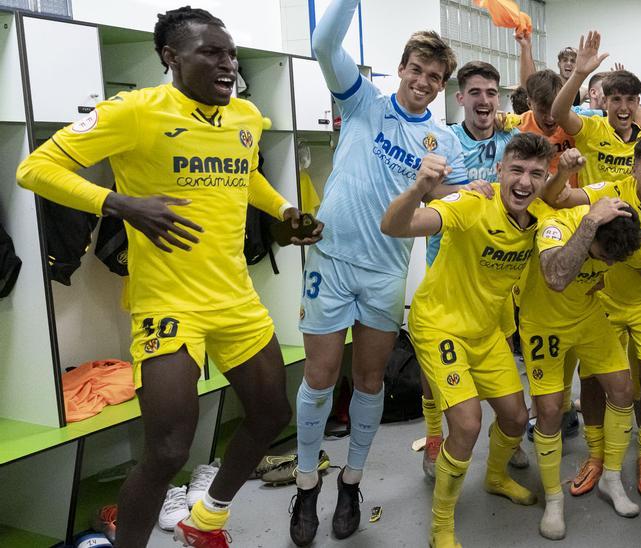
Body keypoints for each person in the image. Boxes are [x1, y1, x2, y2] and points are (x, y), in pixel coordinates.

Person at [16, 7, 320, 547]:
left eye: (230, 53)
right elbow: (34, 168)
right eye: (211, 52)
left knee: (271, 411)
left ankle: (205, 519)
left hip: (236, 299)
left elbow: (244, 175)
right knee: (168, 448)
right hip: (168, 304)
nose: (227, 64)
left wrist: (284, 211)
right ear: (170, 58)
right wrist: (121, 204)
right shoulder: (135, 110)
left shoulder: (246, 117)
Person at [292, 1, 468, 543]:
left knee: (369, 381)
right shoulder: (362, 100)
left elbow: (457, 207)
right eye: (416, 70)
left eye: (434, 77)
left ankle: (352, 480)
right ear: (402, 68)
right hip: (332, 260)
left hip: (386, 273)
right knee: (320, 378)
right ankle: (305, 486)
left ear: (441, 88)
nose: (422, 81)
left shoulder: (446, 141)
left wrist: (473, 191)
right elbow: (323, 45)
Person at [380, 133, 554, 548]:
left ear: (546, 180)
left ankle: (495, 476)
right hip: (439, 325)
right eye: (516, 170)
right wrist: (421, 189)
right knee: (468, 423)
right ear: (499, 171)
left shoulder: (542, 215)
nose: (524, 182)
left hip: (486, 332)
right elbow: (394, 225)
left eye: (535, 174)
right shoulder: (474, 203)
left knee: (515, 418)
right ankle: (441, 525)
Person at [519, 191, 641, 539]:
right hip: (544, 325)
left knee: (622, 390)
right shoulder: (557, 226)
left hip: (589, 319)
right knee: (547, 412)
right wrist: (589, 223)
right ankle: (554, 500)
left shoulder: (620, 234)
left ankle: (610, 477)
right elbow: (556, 279)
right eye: (603, 257)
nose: (606, 265)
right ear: (591, 234)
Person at [541, 136, 641, 499]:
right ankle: (595, 454)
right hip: (604, 300)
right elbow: (554, 198)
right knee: (592, 378)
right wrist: (563, 171)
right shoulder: (610, 192)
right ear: (634, 170)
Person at [552, 31, 641, 187]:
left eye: (630, 100)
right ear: (605, 101)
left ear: (638, 102)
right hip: (591, 208)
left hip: (632, 211)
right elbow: (558, 114)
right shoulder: (591, 128)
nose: (623, 107)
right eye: (616, 100)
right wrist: (579, 73)